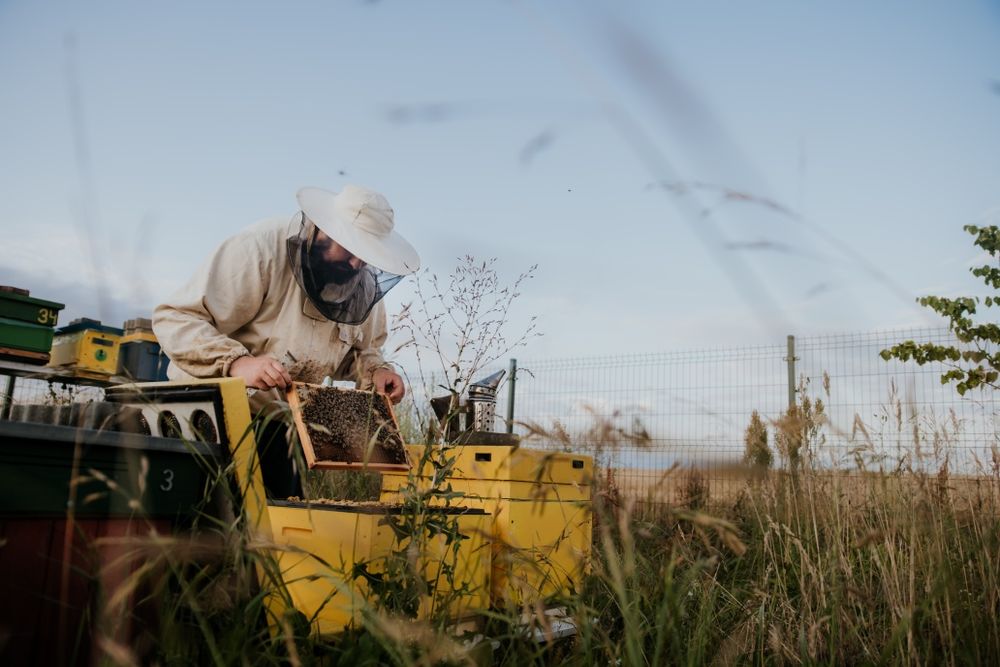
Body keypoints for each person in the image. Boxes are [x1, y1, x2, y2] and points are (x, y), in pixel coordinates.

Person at [152, 185, 420, 497]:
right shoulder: (260, 248)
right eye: (351, 251)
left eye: (366, 257)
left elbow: (359, 352)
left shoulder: (359, 285)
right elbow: (175, 318)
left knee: (275, 531)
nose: (356, 265)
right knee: (205, 526)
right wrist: (237, 362)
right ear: (323, 230)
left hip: (277, 425)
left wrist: (376, 372)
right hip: (203, 416)